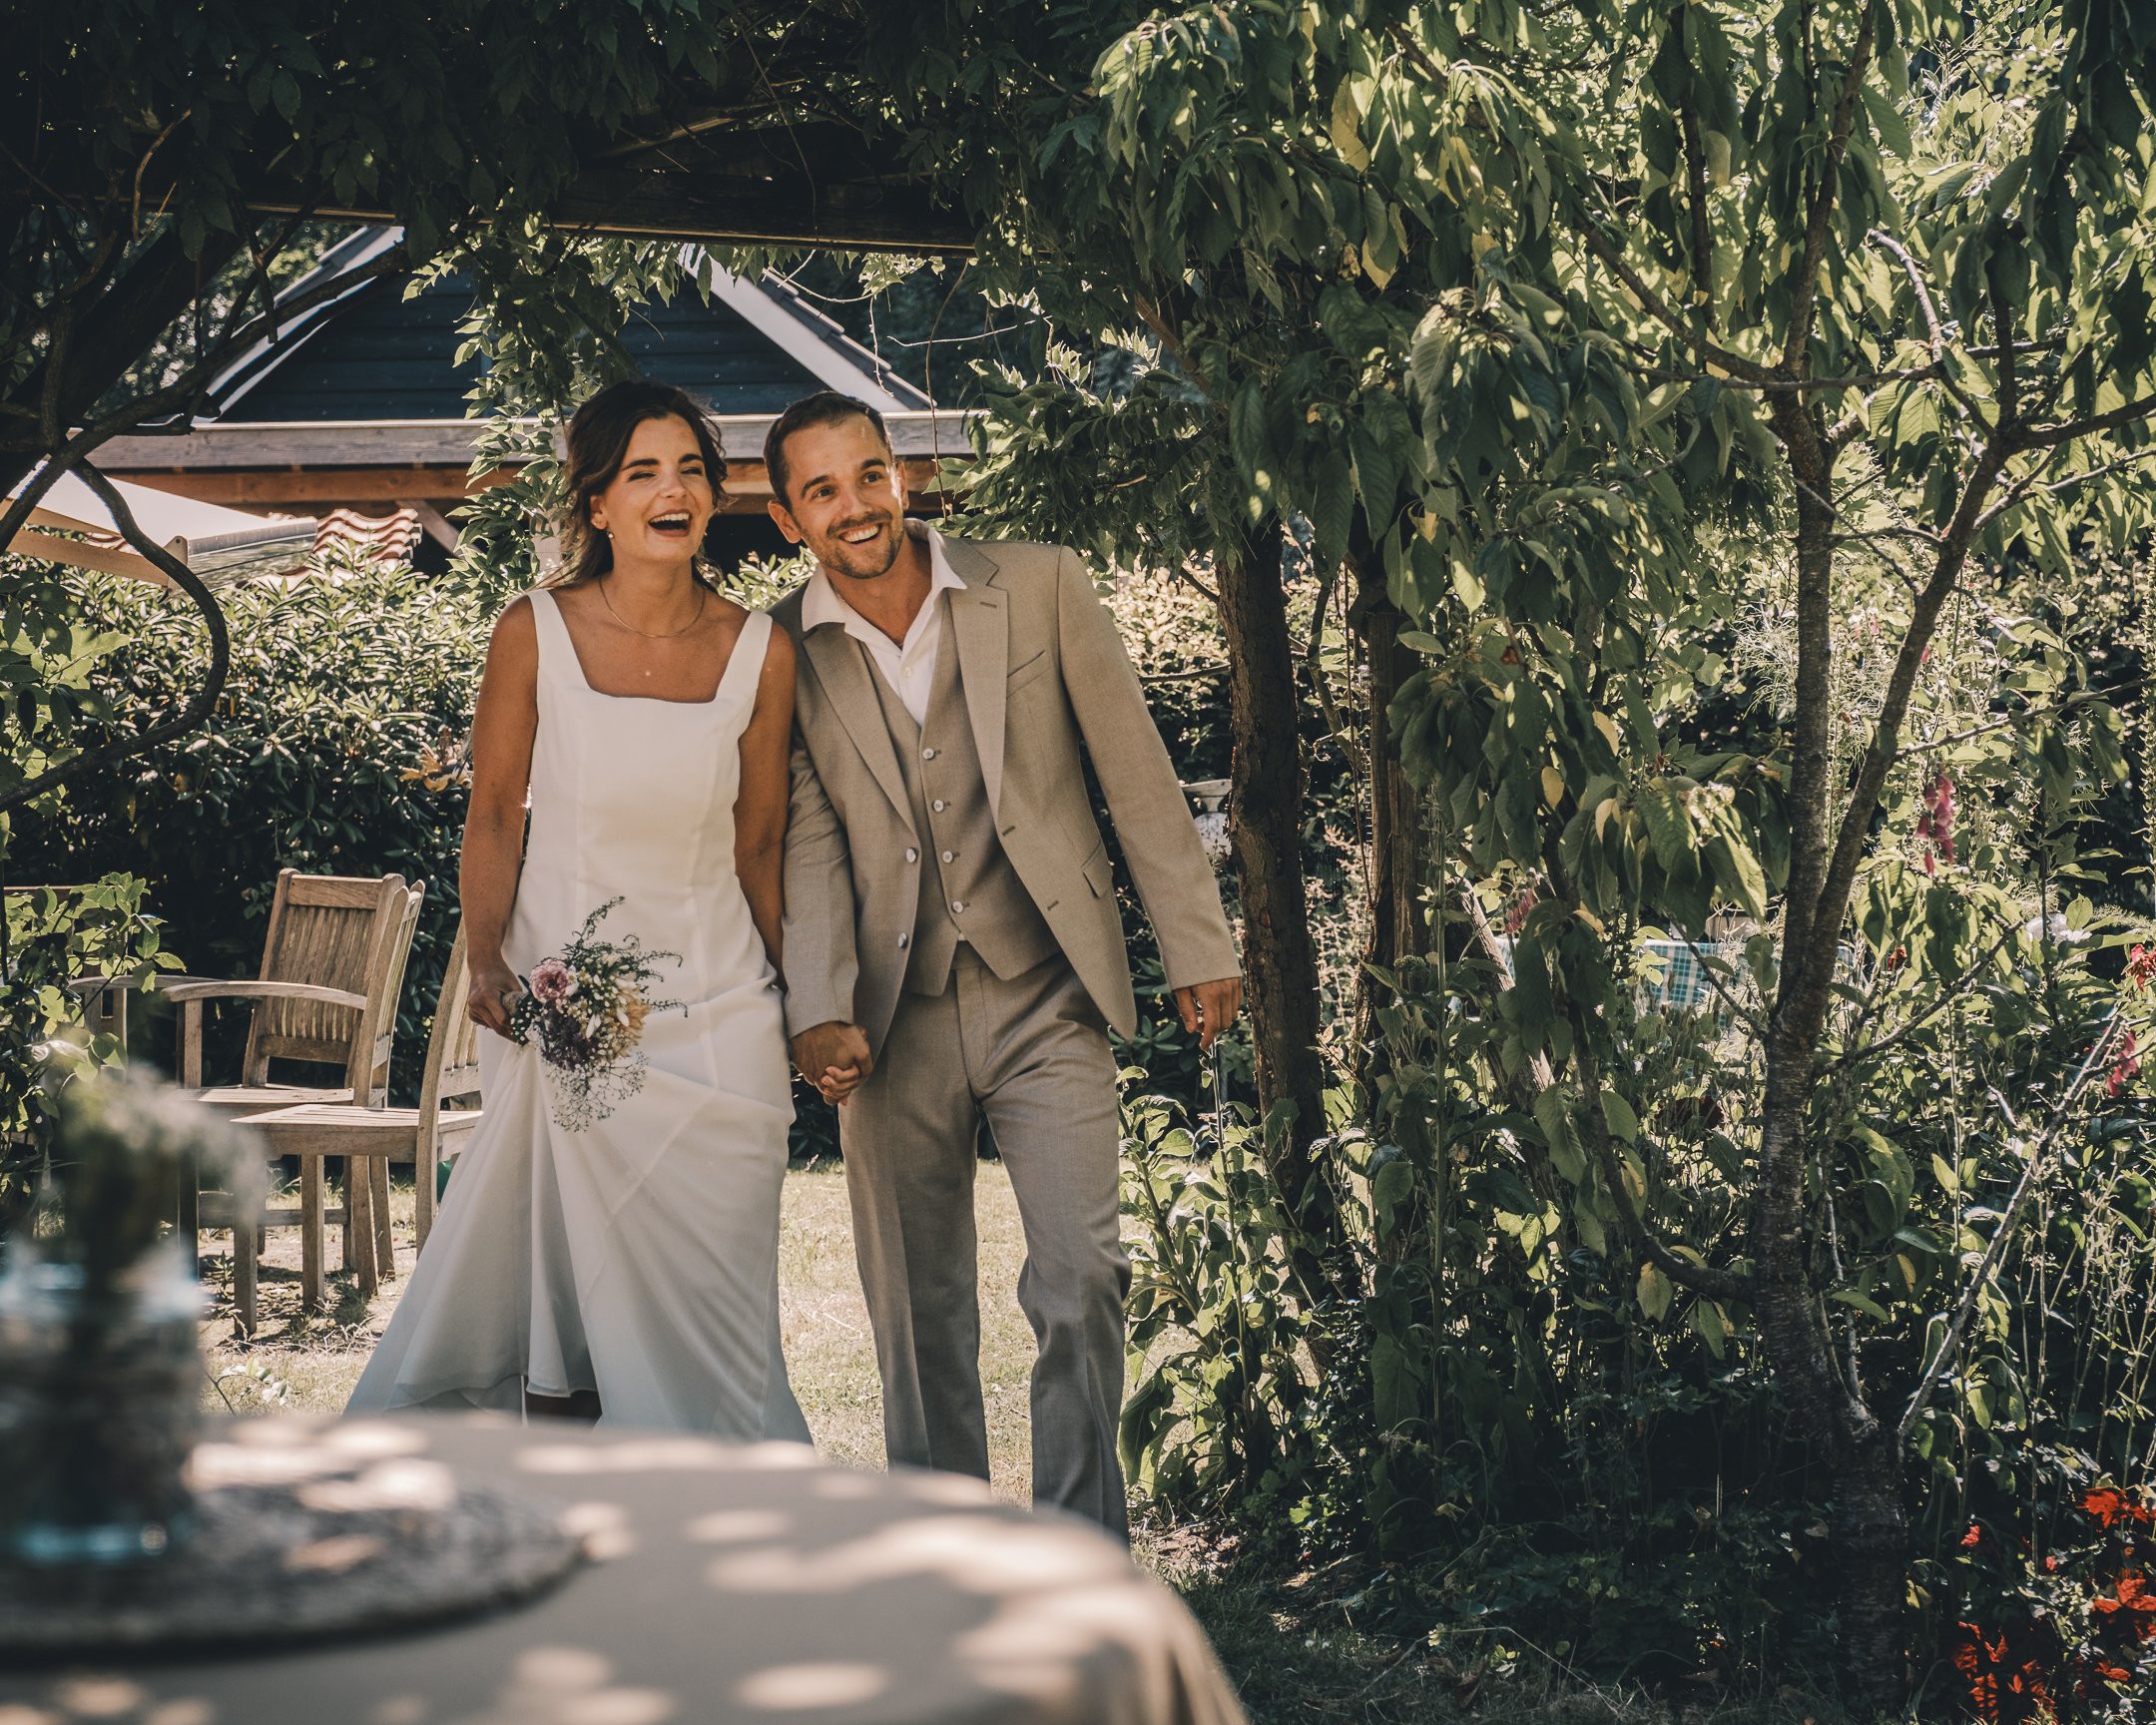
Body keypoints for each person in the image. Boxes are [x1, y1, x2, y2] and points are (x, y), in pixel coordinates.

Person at [770, 390, 1242, 1537]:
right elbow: (811, 838)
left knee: (1083, 1277)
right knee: (917, 1318)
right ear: (790, 518)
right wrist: (819, 1008)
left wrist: (1195, 939)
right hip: (893, 1017)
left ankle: (1081, 1555)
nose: (855, 506)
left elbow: (1133, 767)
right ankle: (951, 1567)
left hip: (1046, 988)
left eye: (868, 475)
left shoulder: (1035, 582)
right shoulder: (779, 648)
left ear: (903, 475)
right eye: (822, 490)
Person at [348, 379, 808, 1440]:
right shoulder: (532, 632)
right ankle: (584, 1495)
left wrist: (806, 994)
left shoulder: (761, 652)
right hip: (569, 1013)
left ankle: (738, 1496)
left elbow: (762, 845)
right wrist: (485, 961)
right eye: (642, 471)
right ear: (597, 501)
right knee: (565, 1285)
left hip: (723, 1010)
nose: (673, 488)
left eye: (691, 467)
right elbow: (495, 818)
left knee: (725, 1285)